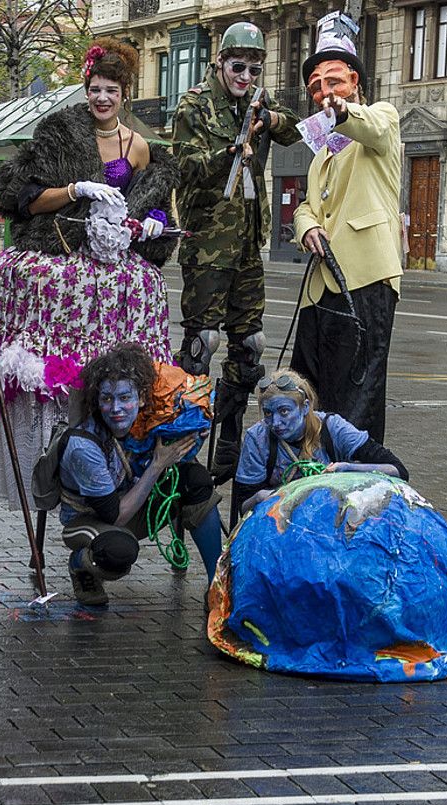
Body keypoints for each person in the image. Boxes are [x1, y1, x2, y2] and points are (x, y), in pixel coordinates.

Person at [0, 37, 181, 511]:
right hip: (65, 247)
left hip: (114, 259)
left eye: (111, 90)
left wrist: (150, 217)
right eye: (94, 88)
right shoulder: (59, 132)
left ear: (124, 94)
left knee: (143, 289)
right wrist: (74, 188)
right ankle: (60, 445)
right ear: (85, 88)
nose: (101, 98)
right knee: (38, 282)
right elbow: (22, 195)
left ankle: (120, 437)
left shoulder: (139, 146)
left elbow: (156, 205)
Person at [172, 22, 302, 482]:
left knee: (250, 344)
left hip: (247, 239)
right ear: (220, 63)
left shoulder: (256, 102)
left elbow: (294, 129)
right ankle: (184, 441)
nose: (245, 76)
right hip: (208, 241)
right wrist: (230, 151)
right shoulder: (195, 104)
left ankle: (229, 433)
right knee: (200, 343)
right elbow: (184, 165)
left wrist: (266, 120)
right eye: (237, 66)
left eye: (253, 68)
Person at [292, 11, 403, 444]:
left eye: (334, 80)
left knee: (357, 396)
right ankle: (311, 472)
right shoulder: (322, 154)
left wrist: (343, 111)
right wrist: (306, 228)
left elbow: (371, 125)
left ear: (354, 81)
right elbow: (307, 206)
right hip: (319, 288)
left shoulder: (381, 119)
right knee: (309, 392)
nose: (324, 91)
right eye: (317, 85)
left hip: (365, 278)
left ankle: (353, 476)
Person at [56, 344, 224, 606]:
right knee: (117, 553)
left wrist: (194, 429)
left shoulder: (147, 419)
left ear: (142, 398)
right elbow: (115, 515)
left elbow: (185, 425)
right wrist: (157, 465)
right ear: (97, 401)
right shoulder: (84, 446)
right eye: (107, 399)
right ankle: (80, 564)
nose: (116, 408)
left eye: (125, 398)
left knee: (196, 480)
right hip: (90, 520)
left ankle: (218, 584)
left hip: (133, 504)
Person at [231, 368, 407, 516]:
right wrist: (261, 497)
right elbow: (243, 507)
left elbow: (398, 471)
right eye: (268, 413)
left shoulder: (333, 428)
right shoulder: (258, 438)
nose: (276, 423)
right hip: (279, 520)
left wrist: (346, 469)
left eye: (284, 411)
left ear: (305, 407)